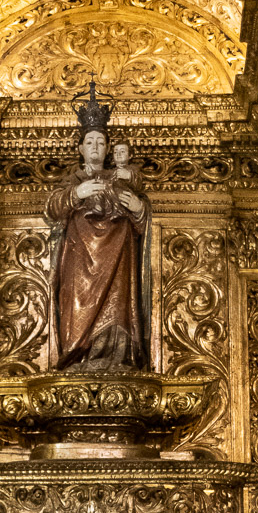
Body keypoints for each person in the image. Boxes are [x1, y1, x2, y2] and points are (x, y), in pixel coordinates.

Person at [46, 103, 149, 371]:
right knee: (78, 304)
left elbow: (144, 223)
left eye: (100, 142)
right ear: (80, 149)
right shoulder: (73, 179)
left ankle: (116, 356)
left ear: (107, 149)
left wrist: (139, 209)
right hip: (80, 257)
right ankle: (78, 356)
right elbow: (52, 207)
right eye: (89, 141)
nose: (95, 146)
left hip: (118, 255)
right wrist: (77, 194)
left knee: (117, 305)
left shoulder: (119, 179)